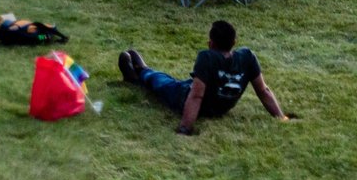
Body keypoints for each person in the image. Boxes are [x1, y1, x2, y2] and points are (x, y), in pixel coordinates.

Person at [118, 19, 293, 135]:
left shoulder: (207, 57)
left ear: (211, 43)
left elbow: (196, 95)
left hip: (189, 98)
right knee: (184, 82)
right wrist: (281, 116)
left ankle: (142, 72)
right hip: (219, 103)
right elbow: (263, 91)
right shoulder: (246, 57)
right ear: (234, 43)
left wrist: (185, 128)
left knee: (165, 84)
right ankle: (141, 71)